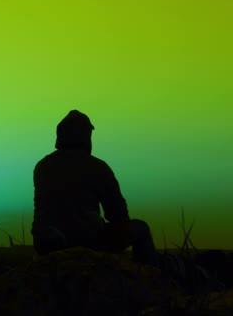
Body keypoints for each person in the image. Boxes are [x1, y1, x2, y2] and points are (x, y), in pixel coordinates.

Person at [31, 110, 157, 265]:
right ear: (85, 137)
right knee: (141, 229)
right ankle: (146, 278)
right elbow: (118, 214)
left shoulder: (42, 166)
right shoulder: (97, 167)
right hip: (87, 240)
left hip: (45, 242)